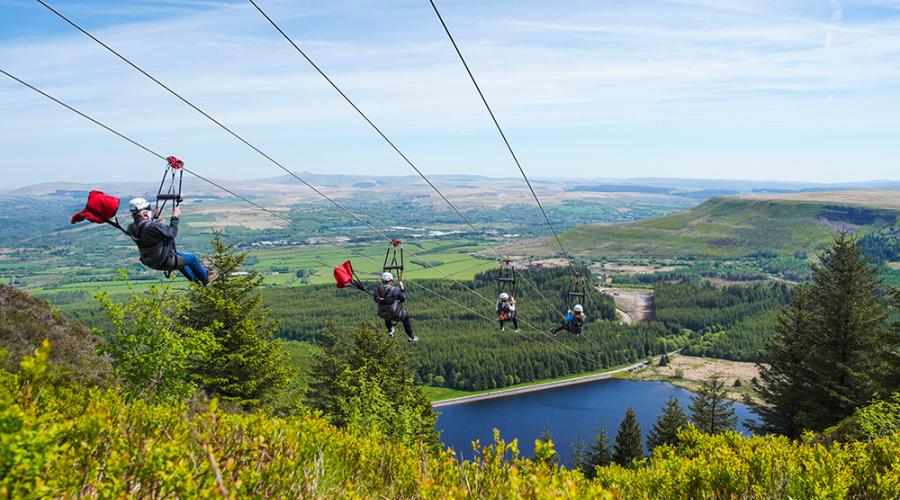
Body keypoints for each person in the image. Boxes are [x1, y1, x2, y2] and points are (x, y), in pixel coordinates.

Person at [126, 197, 212, 285]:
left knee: (182, 257)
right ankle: (206, 278)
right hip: (165, 260)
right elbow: (172, 233)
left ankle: (195, 280)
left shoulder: (131, 228)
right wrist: (175, 217)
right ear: (145, 213)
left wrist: (155, 219)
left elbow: (146, 230)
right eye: (149, 210)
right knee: (192, 258)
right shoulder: (153, 227)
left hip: (150, 261)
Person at [373, 272, 418, 342]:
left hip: (382, 313)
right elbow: (403, 299)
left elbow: (376, 300)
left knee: (387, 313)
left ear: (382, 281)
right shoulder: (395, 289)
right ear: (391, 281)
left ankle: (390, 329)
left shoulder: (377, 290)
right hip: (394, 313)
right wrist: (402, 288)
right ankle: (411, 336)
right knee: (406, 318)